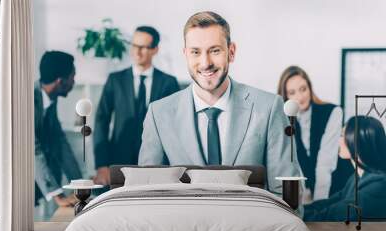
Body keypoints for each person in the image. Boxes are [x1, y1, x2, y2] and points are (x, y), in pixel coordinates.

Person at [138, 11, 301, 193]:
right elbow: (147, 194)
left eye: (214, 51)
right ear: (186, 55)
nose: (205, 62)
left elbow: (287, 194)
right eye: (195, 52)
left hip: (251, 221)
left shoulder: (268, 108)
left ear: (231, 52)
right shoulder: (158, 114)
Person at [94, 26, 180, 185]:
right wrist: (101, 165)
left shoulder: (168, 83)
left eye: (143, 47)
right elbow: (101, 121)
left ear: (155, 49)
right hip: (118, 161)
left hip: (157, 164)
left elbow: (176, 127)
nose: (137, 51)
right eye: (134, 45)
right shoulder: (115, 80)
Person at [277, 66, 343, 201]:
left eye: (303, 89)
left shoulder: (333, 112)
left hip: (334, 190)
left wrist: (317, 204)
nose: (300, 97)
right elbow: (290, 164)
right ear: (285, 96)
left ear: (310, 88)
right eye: (292, 92)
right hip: (305, 195)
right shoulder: (283, 120)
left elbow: (325, 163)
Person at [304, 116, 386, 221]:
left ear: (356, 142)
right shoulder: (357, 176)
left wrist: (296, 215)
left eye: (342, 135)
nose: (338, 140)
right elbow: (330, 202)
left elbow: (330, 216)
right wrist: (295, 210)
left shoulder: (378, 185)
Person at [34, 51, 82, 207]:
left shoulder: (50, 99)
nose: (74, 82)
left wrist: (80, 185)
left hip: (40, 184)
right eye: (72, 77)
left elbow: (60, 143)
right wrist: (58, 195)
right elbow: (32, 150)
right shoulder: (28, 99)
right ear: (60, 81)